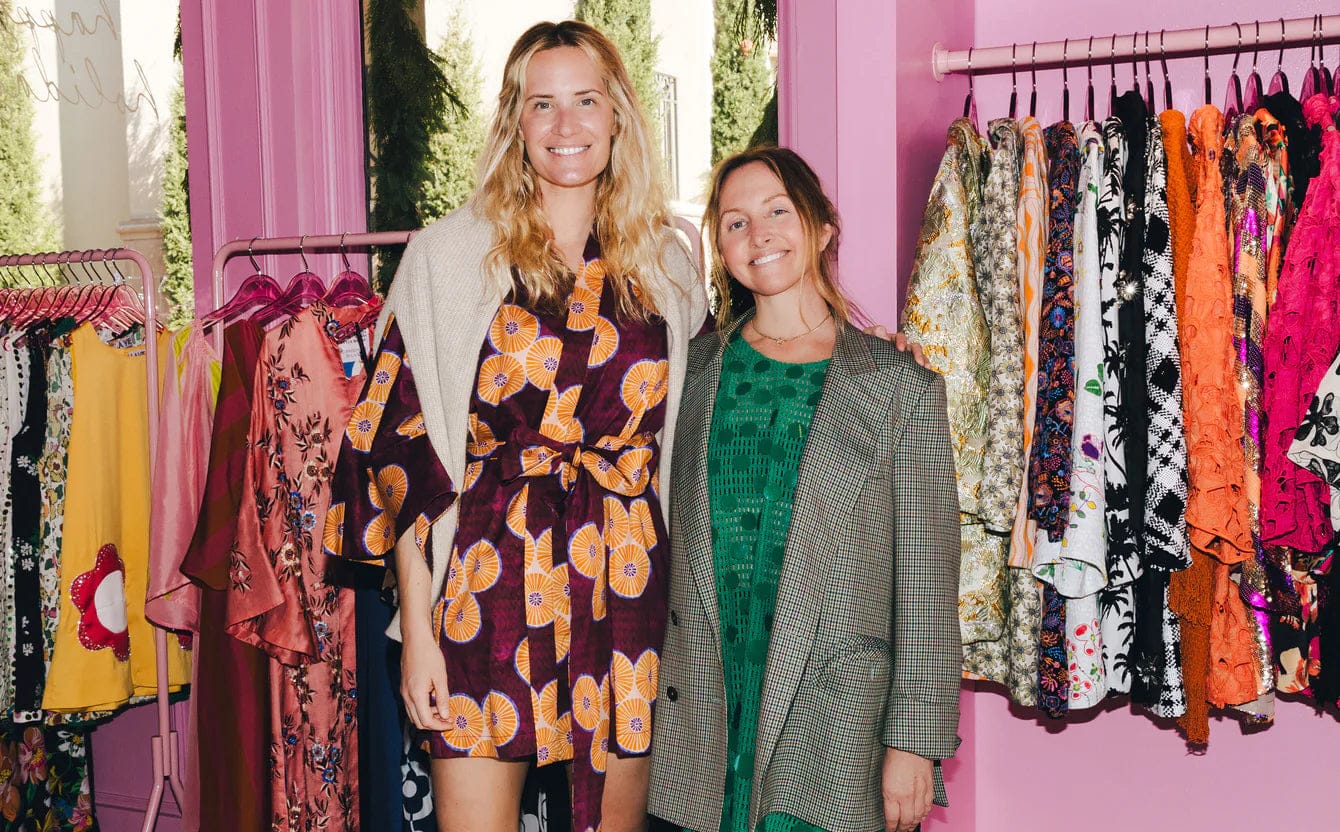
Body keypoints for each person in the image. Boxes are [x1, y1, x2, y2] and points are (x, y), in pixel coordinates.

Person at [325, 20, 708, 832]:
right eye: (542, 104)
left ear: (618, 115)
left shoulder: (669, 264)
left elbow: (712, 409)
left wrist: (847, 340)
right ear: (515, 121)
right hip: (486, 577)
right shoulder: (448, 256)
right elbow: (399, 453)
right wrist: (418, 632)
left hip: (625, 581)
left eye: (585, 101)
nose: (566, 124)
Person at [647, 146, 963, 832]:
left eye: (777, 212)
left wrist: (914, 742)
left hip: (834, 725)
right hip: (702, 714)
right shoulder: (687, 374)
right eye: (735, 222)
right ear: (721, 249)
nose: (757, 234)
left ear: (822, 228)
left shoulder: (898, 386)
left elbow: (927, 584)